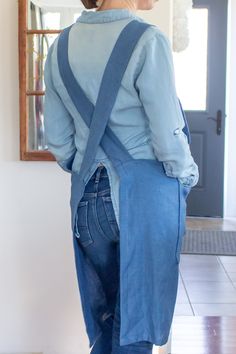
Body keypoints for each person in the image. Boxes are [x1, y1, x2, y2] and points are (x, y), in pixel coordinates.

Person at [44, 0, 199, 353]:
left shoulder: (60, 46)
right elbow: (167, 134)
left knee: (108, 317)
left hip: (86, 203)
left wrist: (89, 163)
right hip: (141, 200)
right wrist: (186, 176)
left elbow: (59, 141)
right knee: (136, 324)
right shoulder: (148, 41)